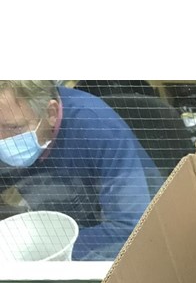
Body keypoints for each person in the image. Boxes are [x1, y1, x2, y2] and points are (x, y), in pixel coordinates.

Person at [0, 81, 164, 261]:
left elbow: (130, 227)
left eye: (14, 128)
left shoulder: (97, 127)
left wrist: (54, 252)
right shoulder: (12, 120)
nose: (2, 140)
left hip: (123, 241)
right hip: (59, 224)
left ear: (51, 113)